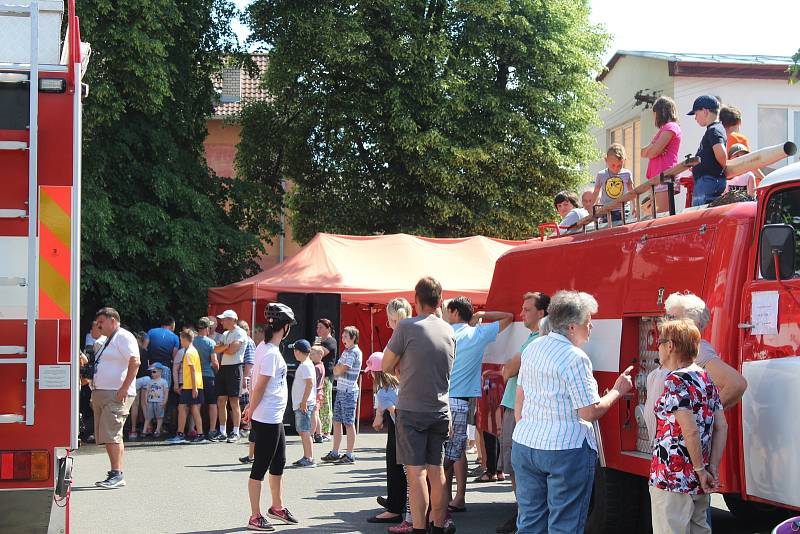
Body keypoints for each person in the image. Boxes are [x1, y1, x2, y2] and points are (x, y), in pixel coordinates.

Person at [513, 291, 633, 533]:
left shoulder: (532, 347)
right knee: (564, 525)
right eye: (587, 322)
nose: (591, 327)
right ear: (571, 326)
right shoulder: (575, 357)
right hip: (565, 448)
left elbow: (520, 400)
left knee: (529, 523)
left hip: (526, 443)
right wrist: (617, 391)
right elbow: (589, 412)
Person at [383, 277, 455, 534]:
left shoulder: (406, 327)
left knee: (416, 476)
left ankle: (419, 528)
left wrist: (404, 368)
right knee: (437, 473)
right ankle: (439, 525)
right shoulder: (449, 330)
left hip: (412, 409)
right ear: (439, 300)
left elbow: (385, 364)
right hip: (440, 409)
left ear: (416, 300)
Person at [649, 319, 728, 534]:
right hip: (697, 479)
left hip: (672, 477)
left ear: (671, 346)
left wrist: (701, 469)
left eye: (660, 342)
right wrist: (709, 468)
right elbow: (722, 426)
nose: (658, 347)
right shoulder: (705, 378)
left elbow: (689, 429)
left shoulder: (675, 380)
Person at [443, 297, 513, 521]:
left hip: (443, 397)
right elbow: (508, 318)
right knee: (458, 450)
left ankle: (441, 501)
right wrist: (482, 316)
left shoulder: (444, 332)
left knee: (441, 454)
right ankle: (459, 497)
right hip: (463, 399)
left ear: (454, 312)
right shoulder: (478, 333)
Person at [495, 292, 550, 534]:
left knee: (519, 467)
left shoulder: (534, 340)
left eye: (527, 309)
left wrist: (508, 367)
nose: (522, 313)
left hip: (520, 411)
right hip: (525, 410)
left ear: (541, 313)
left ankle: (523, 515)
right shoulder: (535, 337)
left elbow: (508, 371)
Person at [242, 303, 299, 530]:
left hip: (273, 417)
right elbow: (260, 387)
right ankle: (254, 516)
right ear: (285, 328)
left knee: (279, 462)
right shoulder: (270, 353)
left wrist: (251, 408)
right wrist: (251, 410)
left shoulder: (265, 347)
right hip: (267, 418)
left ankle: (277, 507)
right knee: (261, 466)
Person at [91, 307, 140, 489]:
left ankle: (117, 474)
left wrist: (124, 388)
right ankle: (115, 473)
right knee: (109, 434)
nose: (99, 325)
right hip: (104, 392)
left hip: (115, 393)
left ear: (113, 320)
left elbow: (135, 361)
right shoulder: (106, 340)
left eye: (101, 322)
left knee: (112, 434)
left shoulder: (123, 336)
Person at [383, 297, 415, 534]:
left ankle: (410, 516)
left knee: (409, 467)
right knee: (417, 468)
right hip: (408, 403)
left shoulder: (401, 337)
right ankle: (414, 515)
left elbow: (388, 369)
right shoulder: (415, 334)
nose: (390, 323)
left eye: (392, 319)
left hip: (404, 404)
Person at [365, 351, 404, 525]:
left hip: (399, 431)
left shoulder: (383, 391)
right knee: (403, 470)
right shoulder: (398, 383)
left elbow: (394, 410)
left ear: (376, 372)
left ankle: (394, 508)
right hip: (406, 429)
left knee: (394, 467)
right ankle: (398, 502)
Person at [322, 326, 363, 464]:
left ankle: (350, 454)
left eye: (346, 336)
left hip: (349, 391)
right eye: (343, 336)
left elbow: (342, 368)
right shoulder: (346, 351)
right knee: (337, 421)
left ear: (353, 338)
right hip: (341, 390)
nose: (343, 339)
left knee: (349, 423)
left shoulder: (354, 352)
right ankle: (335, 452)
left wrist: (338, 369)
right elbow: (336, 369)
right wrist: (338, 369)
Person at [642, 96, 682, 214]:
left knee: (662, 216)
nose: (654, 117)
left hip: (665, 177)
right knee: (656, 215)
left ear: (661, 112)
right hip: (658, 177)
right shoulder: (663, 130)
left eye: (655, 114)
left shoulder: (671, 126)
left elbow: (653, 152)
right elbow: (643, 152)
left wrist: (652, 149)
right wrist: (652, 149)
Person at [214, 309, 248, 442]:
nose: (221, 322)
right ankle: (222, 432)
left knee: (234, 401)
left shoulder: (240, 332)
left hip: (235, 368)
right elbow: (216, 349)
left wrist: (225, 347)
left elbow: (232, 350)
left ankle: (235, 432)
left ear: (232, 319)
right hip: (224, 368)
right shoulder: (225, 333)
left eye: (224, 319)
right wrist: (225, 347)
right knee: (221, 400)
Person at [167, 329, 205, 444]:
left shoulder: (188, 353)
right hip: (193, 385)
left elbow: (192, 371)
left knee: (183, 408)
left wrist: (193, 388)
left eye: (181, 340)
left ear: (184, 339)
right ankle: (198, 434)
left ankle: (181, 434)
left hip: (191, 386)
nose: (180, 342)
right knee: (191, 408)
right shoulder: (193, 351)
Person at [688, 95, 727, 206]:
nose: (695, 118)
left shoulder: (714, 130)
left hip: (708, 182)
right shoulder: (714, 129)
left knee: (700, 215)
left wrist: (724, 167)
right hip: (708, 181)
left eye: (696, 114)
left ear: (705, 111)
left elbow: (721, 154)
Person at [590, 143, 636, 223]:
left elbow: (631, 190)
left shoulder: (627, 174)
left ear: (624, 161)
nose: (616, 168)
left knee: (620, 227)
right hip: (607, 209)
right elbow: (596, 192)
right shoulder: (601, 175)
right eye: (613, 165)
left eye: (619, 166)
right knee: (607, 228)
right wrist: (591, 207)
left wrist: (635, 206)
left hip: (623, 208)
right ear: (606, 160)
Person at [290, 339, 317, 468]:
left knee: (304, 431)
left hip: (303, 404)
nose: (294, 353)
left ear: (299, 352)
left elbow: (309, 383)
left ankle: (309, 457)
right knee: (303, 431)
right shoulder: (307, 364)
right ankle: (307, 456)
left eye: (295, 350)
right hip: (303, 403)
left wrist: (304, 402)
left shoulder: (305, 365)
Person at [195, 317, 221, 440]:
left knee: (197, 404)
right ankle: (211, 430)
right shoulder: (211, 343)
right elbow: (214, 362)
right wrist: (218, 372)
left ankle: (196, 429)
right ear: (207, 328)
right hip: (209, 375)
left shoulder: (192, 342)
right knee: (212, 403)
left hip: (196, 377)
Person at [315, 318, 338, 442]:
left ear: (328, 329)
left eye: (321, 328)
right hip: (317, 376)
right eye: (317, 327)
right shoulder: (318, 341)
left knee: (325, 404)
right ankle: (318, 430)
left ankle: (326, 432)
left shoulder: (331, 341)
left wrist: (314, 347)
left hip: (326, 377)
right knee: (317, 403)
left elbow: (317, 354)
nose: (318, 330)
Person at [238, 320, 257, 439]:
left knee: (245, 403)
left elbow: (249, 363)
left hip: (246, 377)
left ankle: (246, 427)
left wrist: (245, 377)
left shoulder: (249, 343)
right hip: (243, 376)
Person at [143, 363, 169, 437]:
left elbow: (166, 392)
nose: (152, 373)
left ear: (160, 372)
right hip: (151, 401)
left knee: (159, 416)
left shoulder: (164, 382)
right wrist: (145, 399)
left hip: (159, 401)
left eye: (154, 372)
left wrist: (165, 401)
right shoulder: (150, 381)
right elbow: (147, 391)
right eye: (151, 372)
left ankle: (157, 430)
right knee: (148, 417)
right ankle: (144, 431)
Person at [309, 346, 325, 444]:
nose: (310, 356)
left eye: (312, 354)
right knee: (316, 414)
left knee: (313, 414)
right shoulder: (321, 366)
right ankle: (319, 434)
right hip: (319, 392)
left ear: (319, 355)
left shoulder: (316, 368)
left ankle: (311, 433)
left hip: (315, 392)